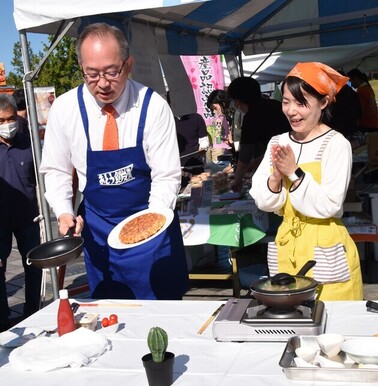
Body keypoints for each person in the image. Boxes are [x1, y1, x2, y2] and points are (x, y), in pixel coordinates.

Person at [40, 22, 189, 300]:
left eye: (112, 71)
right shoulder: (65, 109)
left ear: (128, 64)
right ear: (81, 68)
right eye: (92, 74)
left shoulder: (152, 105)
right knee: (109, 317)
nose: (103, 83)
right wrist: (63, 212)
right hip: (98, 231)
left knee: (160, 319)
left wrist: (148, 227)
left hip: (151, 228)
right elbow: (56, 169)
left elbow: (166, 175)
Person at [250, 62, 363, 301]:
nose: (292, 111)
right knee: (291, 317)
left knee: (330, 319)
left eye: (301, 103)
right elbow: (263, 200)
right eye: (286, 101)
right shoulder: (277, 142)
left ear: (323, 103)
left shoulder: (335, 144)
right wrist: (275, 177)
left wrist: (294, 173)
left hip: (324, 243)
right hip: (287, 243)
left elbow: (330, 205)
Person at [0, 94, 42, 331]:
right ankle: (3, 318)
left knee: (34, 267)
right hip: (0, 223)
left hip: (28, 218)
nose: (8, 124)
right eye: (2, 120)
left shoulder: (28, 144)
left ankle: (33, 311)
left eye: (11, 118)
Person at [227, 77, 291, 192]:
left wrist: (237, 179)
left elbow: (245, 155)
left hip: (281, 167)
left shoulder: (251, 117)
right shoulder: (277, 105)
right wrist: (254, 163)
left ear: (238, 101)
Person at [174, 111, 209, 187]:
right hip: (177, 168)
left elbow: (204, 140)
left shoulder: (197, 118)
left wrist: (203, 148)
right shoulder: (169, 119)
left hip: (196, 167)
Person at [347, 68, 378, 132]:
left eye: (350, 81)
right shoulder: (368, 87)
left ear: (355, 79)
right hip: (374, 121)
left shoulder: (361, 91)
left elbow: (360, 110)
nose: (351, 84)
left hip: (368, 123)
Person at [206, 90, 232, 163]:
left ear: (223, 103)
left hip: (223, 150)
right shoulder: (217, 118)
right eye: (212, 109)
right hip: (214, 147)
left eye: (215, 108)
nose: (214, 111)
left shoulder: (230, 116)